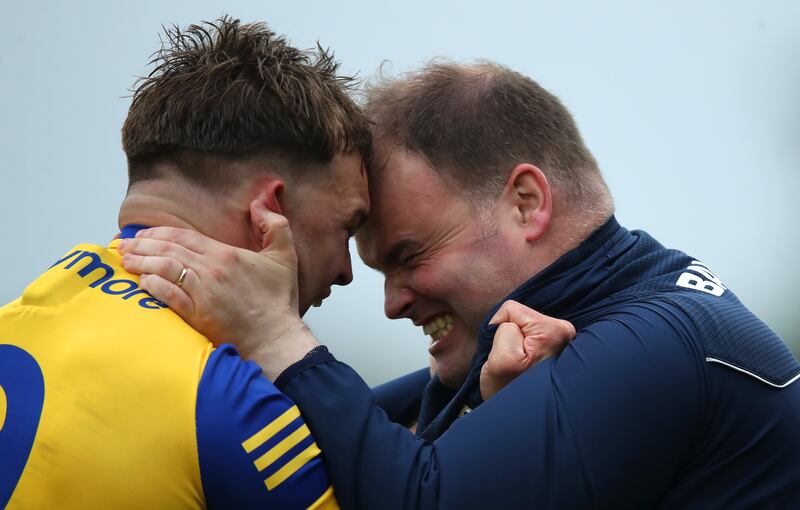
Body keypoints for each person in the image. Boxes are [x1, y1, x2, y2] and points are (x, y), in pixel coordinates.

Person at [121, 61, 800, 508]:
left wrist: (274, 334)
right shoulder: (587, 317)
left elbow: (422, 497)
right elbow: (338, 431)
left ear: (527, 203)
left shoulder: (655, 345)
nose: (392, 303)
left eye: (409, 254)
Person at [0, 16, 372, 509]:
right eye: (347, 227)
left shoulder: (18, 317)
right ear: (270, 214)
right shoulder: (235, 403)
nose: (347, 271)